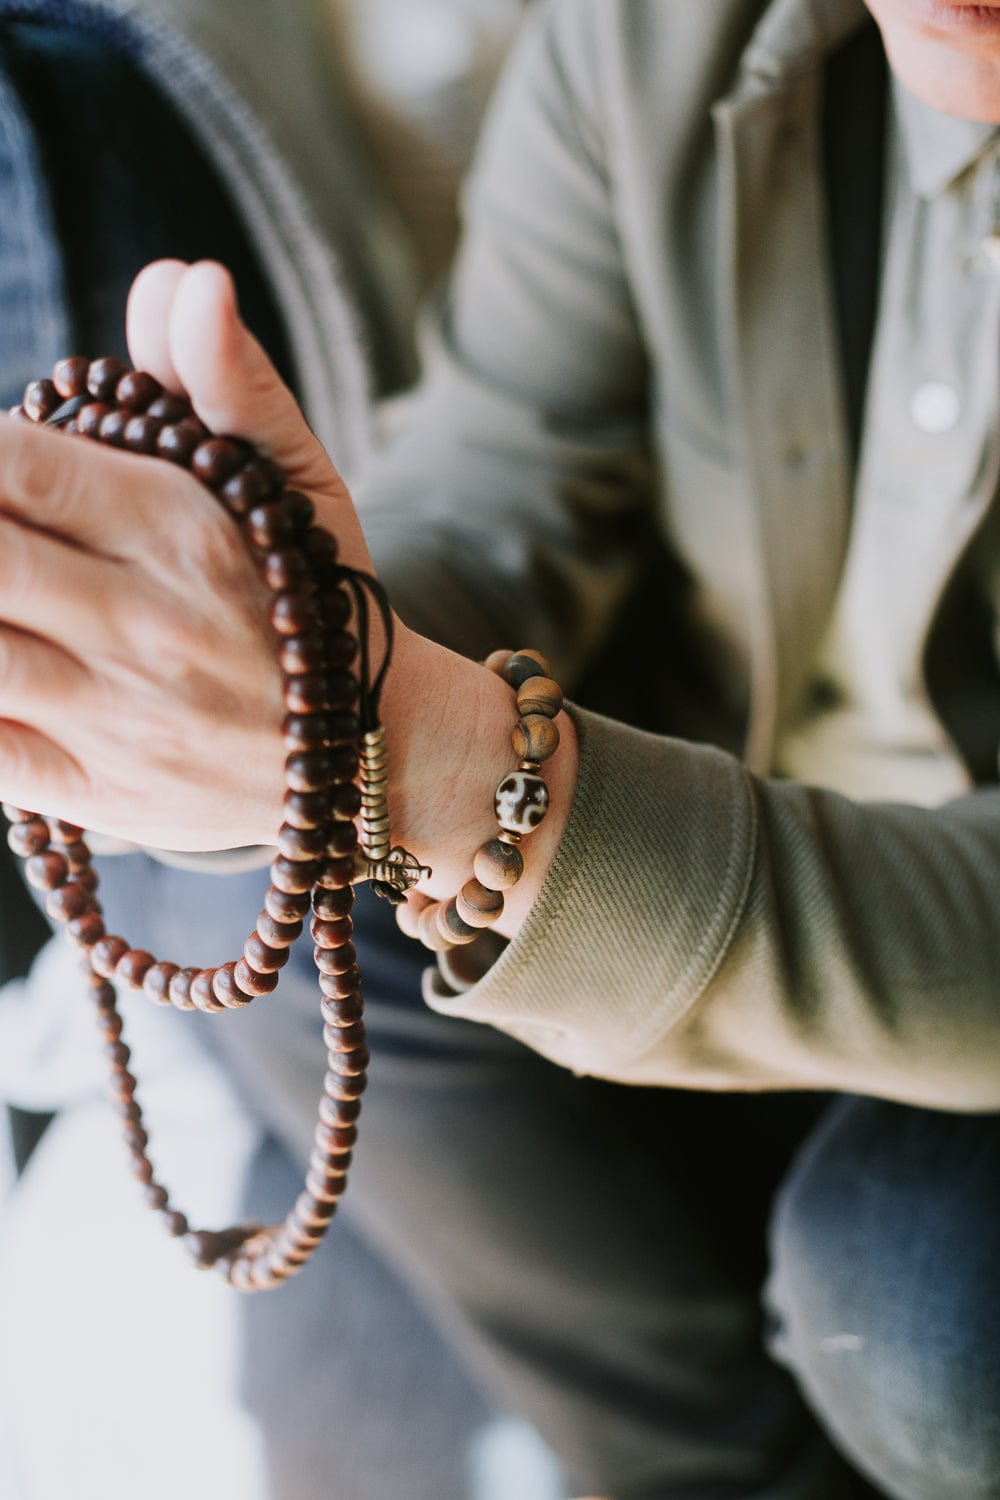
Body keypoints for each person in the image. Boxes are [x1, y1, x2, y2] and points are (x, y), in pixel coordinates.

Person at [1, 1, 1000, 1497]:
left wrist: (447, 768)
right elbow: (514, 471)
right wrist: (298, 647)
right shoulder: (650, 37)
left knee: (919, 1306)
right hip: (705, 815)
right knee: (253, 869)